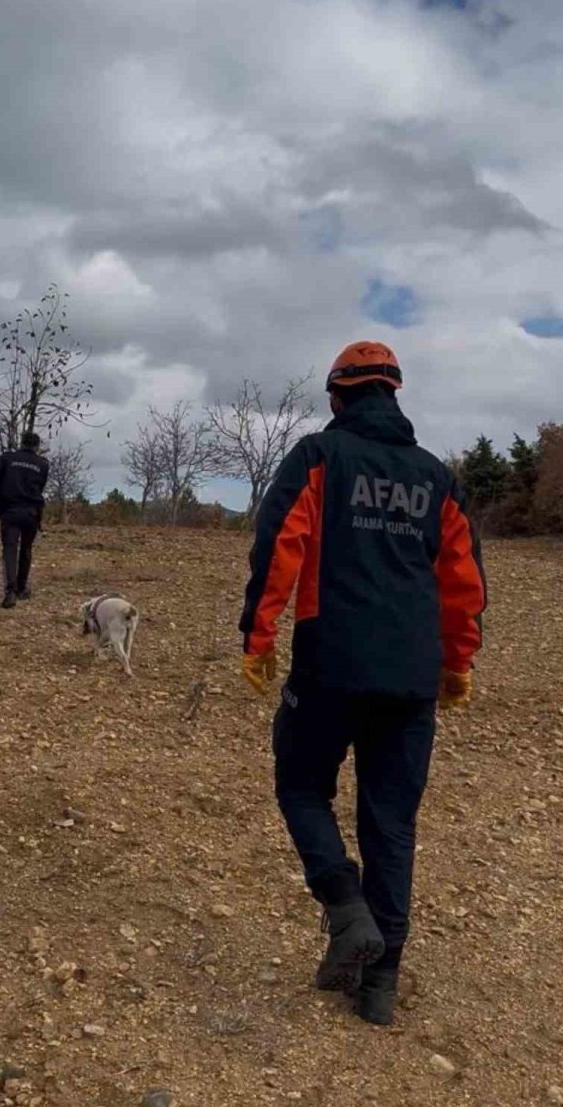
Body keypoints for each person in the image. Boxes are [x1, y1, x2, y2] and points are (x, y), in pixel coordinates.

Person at [239, 341, 486, 1026]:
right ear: (395, 394)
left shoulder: (319, 457)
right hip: (410, 678)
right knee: (391, 824)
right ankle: (380, 985)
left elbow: (277, 546)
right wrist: (457, 661)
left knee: (300, 787)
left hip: (330, 666)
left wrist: (258, 638)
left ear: (336, 396)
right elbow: (463, 582)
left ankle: (346, 909)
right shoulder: (436, 477)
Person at [0, 432, 49, 609]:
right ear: (37, 446)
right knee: (26, 549)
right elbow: (40, 488)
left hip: (10, 510)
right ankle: (21, 588)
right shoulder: (42, 464)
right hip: (31, 513)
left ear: (21, 443)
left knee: (10, 550)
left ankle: (10, 592)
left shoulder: (8, 458)